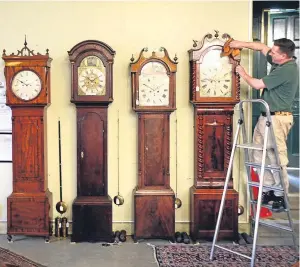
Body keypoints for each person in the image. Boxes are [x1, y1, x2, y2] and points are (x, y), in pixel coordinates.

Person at [229, 38, 299, 211]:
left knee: (276, 157)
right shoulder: (280, 62)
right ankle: (268, 191)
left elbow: (257, 84)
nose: (271, 53)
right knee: (259, 156)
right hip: (266, 117)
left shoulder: (287, 70)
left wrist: (242, 73)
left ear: (283, 56)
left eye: (274, 52)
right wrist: (239, 44)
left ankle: (280, 195)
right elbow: (261, 47)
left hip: (277, 118)